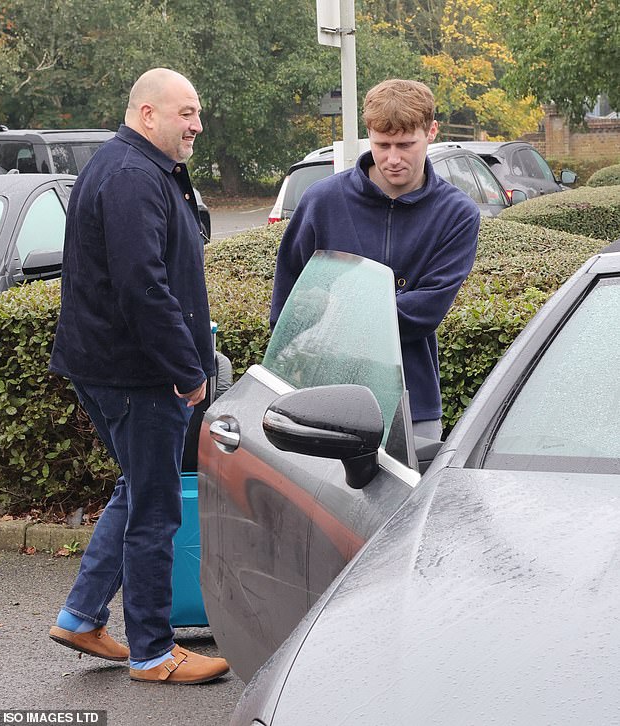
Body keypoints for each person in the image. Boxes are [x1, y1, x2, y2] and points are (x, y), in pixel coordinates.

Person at [48, 68, 229, 685]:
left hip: (112, 367)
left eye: (197, 113)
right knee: (154, 506)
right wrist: (186, 370)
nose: (197, 125)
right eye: (187, 113)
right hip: (138, 376)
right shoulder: (131, 177)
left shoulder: (132, 167)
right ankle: (153, 651)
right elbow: (143, 287)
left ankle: (80, 615)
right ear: (147, 114)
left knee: (138, 486)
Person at [270, 79, 481, 440]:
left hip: (412, 406)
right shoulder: (322, 201)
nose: (393, 158)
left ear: (431, 132)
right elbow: (288, 305)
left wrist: (337, 312)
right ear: (369, 133)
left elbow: (426, 311)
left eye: (405, 145)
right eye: (382, 145)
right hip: (319, 398)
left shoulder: (457, 213)